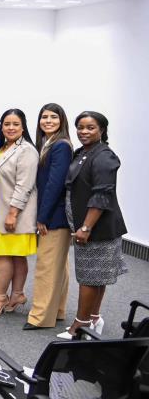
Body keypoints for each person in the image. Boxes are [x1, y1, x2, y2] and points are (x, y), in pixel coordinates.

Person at [58, 111, 128, 339]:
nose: (84, 132)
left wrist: (86, 227)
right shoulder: (84, 152)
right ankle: (94, 319)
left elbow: (101, 195)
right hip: (87, 227)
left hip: (97, 229)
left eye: (90, 128)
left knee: (88, 278)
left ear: (102, 130)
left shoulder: (104, 156)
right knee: (95, 277)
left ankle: (79, 326)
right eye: (80, 127)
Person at [0, 109, 39, 317]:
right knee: (15, 257)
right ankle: (17, 294)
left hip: (14, 211)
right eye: (7, 124)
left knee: (2, 256)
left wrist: (13, 213)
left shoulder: (27, 150)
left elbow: (25, 185)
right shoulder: (3, 148)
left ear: (23, 126)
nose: (11, 128)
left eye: (15, 124)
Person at [24, 103, 73, 330]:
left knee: (46, 266)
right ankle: (58, 310)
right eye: (44, 117)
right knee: (58, 266)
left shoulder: (61, 146)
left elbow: (55, 184)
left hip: (54, 215)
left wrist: (42, 217)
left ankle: (40, 317)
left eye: (54, 117)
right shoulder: (47, 143)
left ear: (61, 120)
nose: (48, 121)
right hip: (54, 213)